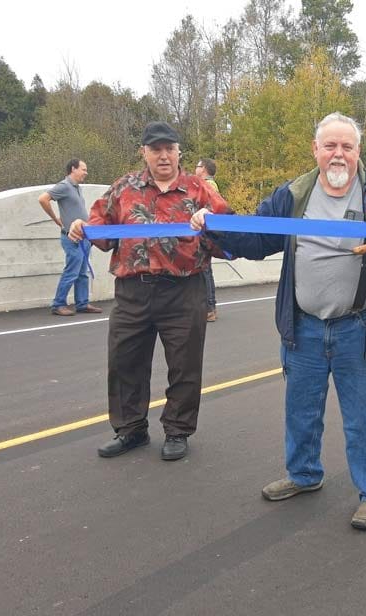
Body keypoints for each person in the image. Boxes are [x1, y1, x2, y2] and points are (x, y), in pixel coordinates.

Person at [191, 112, 366, 530]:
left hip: (360, 328)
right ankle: (303, 474)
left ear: (358, 152)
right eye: (329, 146)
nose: (338, 154)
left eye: (346, 147)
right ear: (315, 150)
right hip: (304, 327)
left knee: (365, 417)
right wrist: (214, 226)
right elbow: (257, 238)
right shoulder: (295, 194)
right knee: (301, 409)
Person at [68, 122, 229, 462]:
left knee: (185, 366)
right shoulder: (124, 188)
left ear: (178, 151)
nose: (164, 155)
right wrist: (80, 227)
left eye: (170, 148)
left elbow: (228, 233)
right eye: (156, 149)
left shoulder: (199, 189)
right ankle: (131, 430)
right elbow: (101, 229)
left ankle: (177, 431)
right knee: (125, 361)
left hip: (183, 289)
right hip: (132, 291)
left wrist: (211, 220)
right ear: (144, 152)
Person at [38, 159, 103, 316]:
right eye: (83, 169)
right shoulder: (64, 186)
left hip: (84, 237)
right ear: (73, 169)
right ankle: (58, 304)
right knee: (72, 271)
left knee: (82, 272)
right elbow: (43, 199)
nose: (86, 173)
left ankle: (82, 303)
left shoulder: (77, 188)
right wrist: (56, 220)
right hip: (71, 237)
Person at [195, 158, 221, 322]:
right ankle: (209, 307)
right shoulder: (209, 184)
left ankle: (210, 308)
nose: (195, 169)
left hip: (205, 233)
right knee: (206, 271)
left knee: (205, 271)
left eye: (197, 166)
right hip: (205, 231)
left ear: (203, 168)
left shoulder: (207, 185)